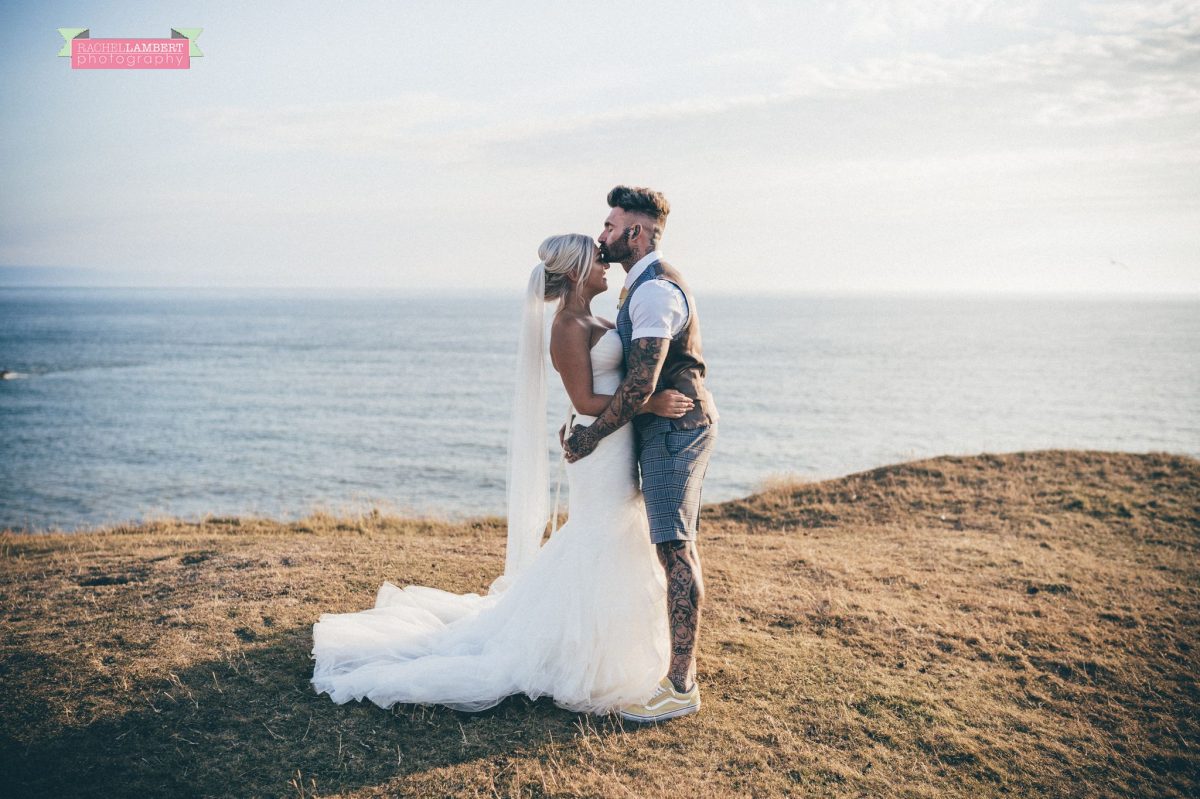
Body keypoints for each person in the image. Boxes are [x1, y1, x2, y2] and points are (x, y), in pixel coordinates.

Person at [310, 233, 695, 715]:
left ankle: (609, 646)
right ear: (576, 272)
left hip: (614, 442)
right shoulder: (568, 326)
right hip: (599, 448)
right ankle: (582, 655)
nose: (606, 266)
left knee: (613, 535)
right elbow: (583, 402)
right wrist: (650, 403)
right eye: (597, 261)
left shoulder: (597, 317)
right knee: (600, 535)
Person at [564, 185, 718, 723]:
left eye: (610, 226)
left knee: (675, 547)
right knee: (671, 545)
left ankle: (680, 686)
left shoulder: (654, 292)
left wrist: (589, 436)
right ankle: (673, 669)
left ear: (638, 231)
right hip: (664, 423)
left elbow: (638, 387)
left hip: (678, 425)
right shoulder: (637, 288)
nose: (602, 235)